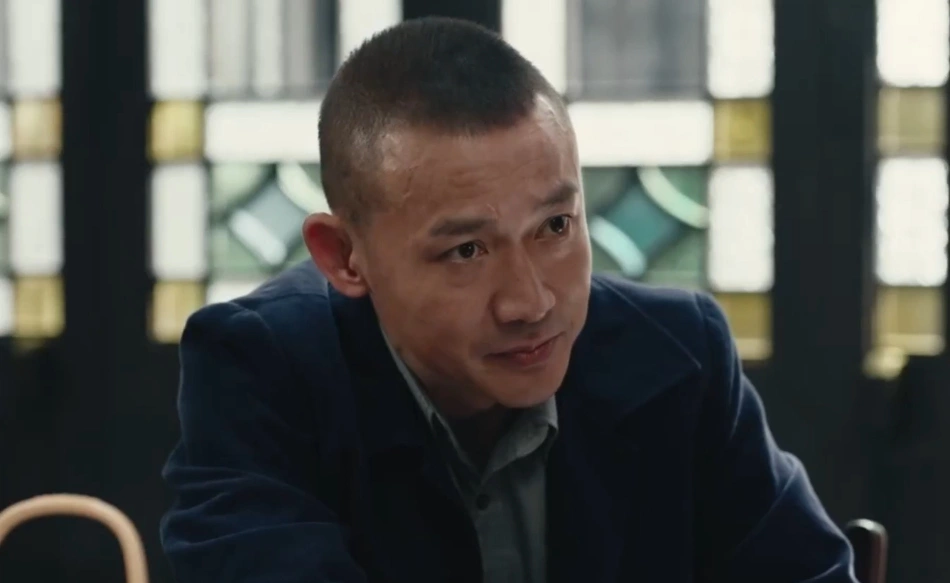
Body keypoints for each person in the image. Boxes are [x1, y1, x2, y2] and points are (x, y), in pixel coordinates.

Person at [160, 17, 857, 583]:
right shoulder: (262, 367)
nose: (530, 301)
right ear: (344, 256)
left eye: (555, 226)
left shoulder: (679, 353)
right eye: (466, 250)